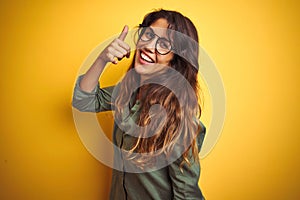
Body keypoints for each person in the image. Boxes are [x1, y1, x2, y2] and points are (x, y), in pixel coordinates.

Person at [72, 9, 206, 200]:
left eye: (164, 44)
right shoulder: (128, 91)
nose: (149, 46)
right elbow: (83, 100)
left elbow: (187, 196)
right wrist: (102, 59)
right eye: (149, 35)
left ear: (176, 60)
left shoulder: (179, 118)